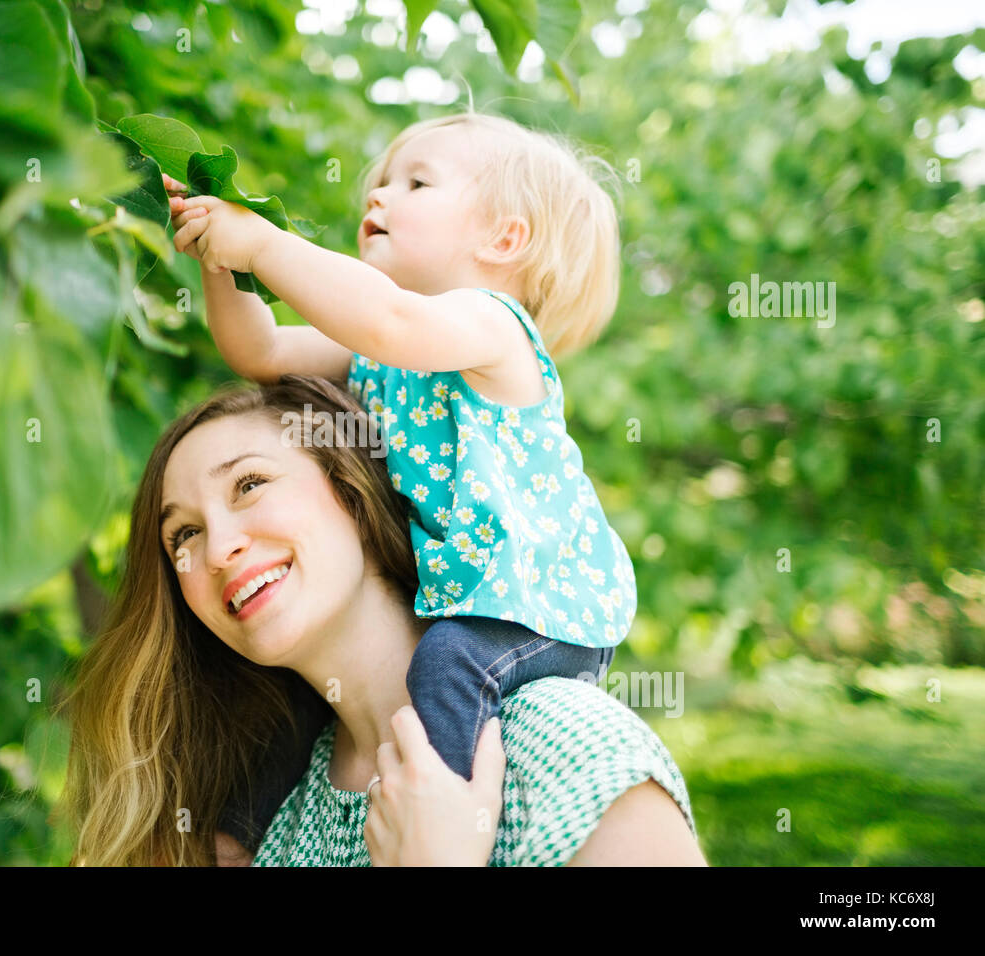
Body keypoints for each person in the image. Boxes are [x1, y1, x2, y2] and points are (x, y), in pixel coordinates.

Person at [163, 109, 637, 848]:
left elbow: (387, 320)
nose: (377, 198)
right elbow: (257, 350)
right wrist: (222, 258)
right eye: (380, 183)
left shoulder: (491, 329)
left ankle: (436, 824)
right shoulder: (376, 352)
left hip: (541, 607)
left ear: (503, 239)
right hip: (472, 598)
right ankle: (239, 842)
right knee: (311, 703)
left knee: (444, 665)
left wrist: (263, 240)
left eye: (415, 182)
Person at [59, 374, 703, 866]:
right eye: (185, 534)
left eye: (250, 485)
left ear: (352, 492)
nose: (219, 545)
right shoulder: (275, 824)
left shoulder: (564, 746)